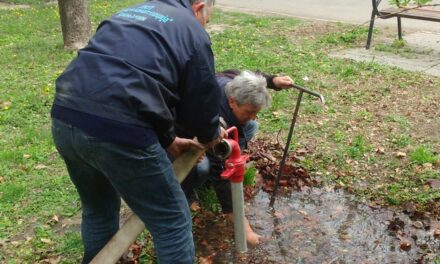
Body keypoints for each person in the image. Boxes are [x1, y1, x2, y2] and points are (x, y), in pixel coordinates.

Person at [50, 0, 224, 263]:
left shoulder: (128, 13)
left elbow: (130, 77)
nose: (204, 24)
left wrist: (168, 139)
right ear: (199, 6)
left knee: (98, 209)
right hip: (119, 130)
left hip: (65, 115)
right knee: (171, 220)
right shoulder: (192, 29)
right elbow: (200, 103)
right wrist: (211, 132)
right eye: (206, 19)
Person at [181, 70, 293, 246]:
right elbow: (221, 174)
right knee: (203, 167)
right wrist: (245, 230)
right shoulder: (213, 120)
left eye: (256, 111)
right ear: (232, 101)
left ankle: (231, 155)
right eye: (249, 111)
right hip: (181, 143)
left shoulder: (232, 82)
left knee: (250, 126)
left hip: (217, 127)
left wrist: (273, 80)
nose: (253, 116)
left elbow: (251, 75)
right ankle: (187, 193)